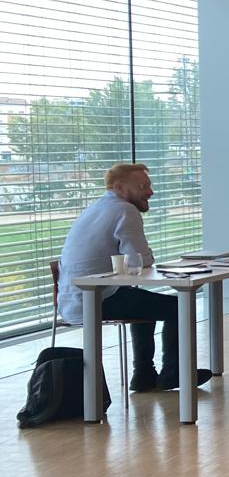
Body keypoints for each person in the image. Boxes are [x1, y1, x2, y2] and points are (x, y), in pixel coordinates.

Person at [56, 162, 212, 393]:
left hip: (72, 299)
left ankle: (144, 375)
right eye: (142, 187)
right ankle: (174, 373)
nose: (150, 192)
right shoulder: (125, 210)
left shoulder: (96, 207)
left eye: (149, 185)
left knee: (143, 302)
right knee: (178, 306)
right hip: (97, 298)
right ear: (119, 187)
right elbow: (140, 260)